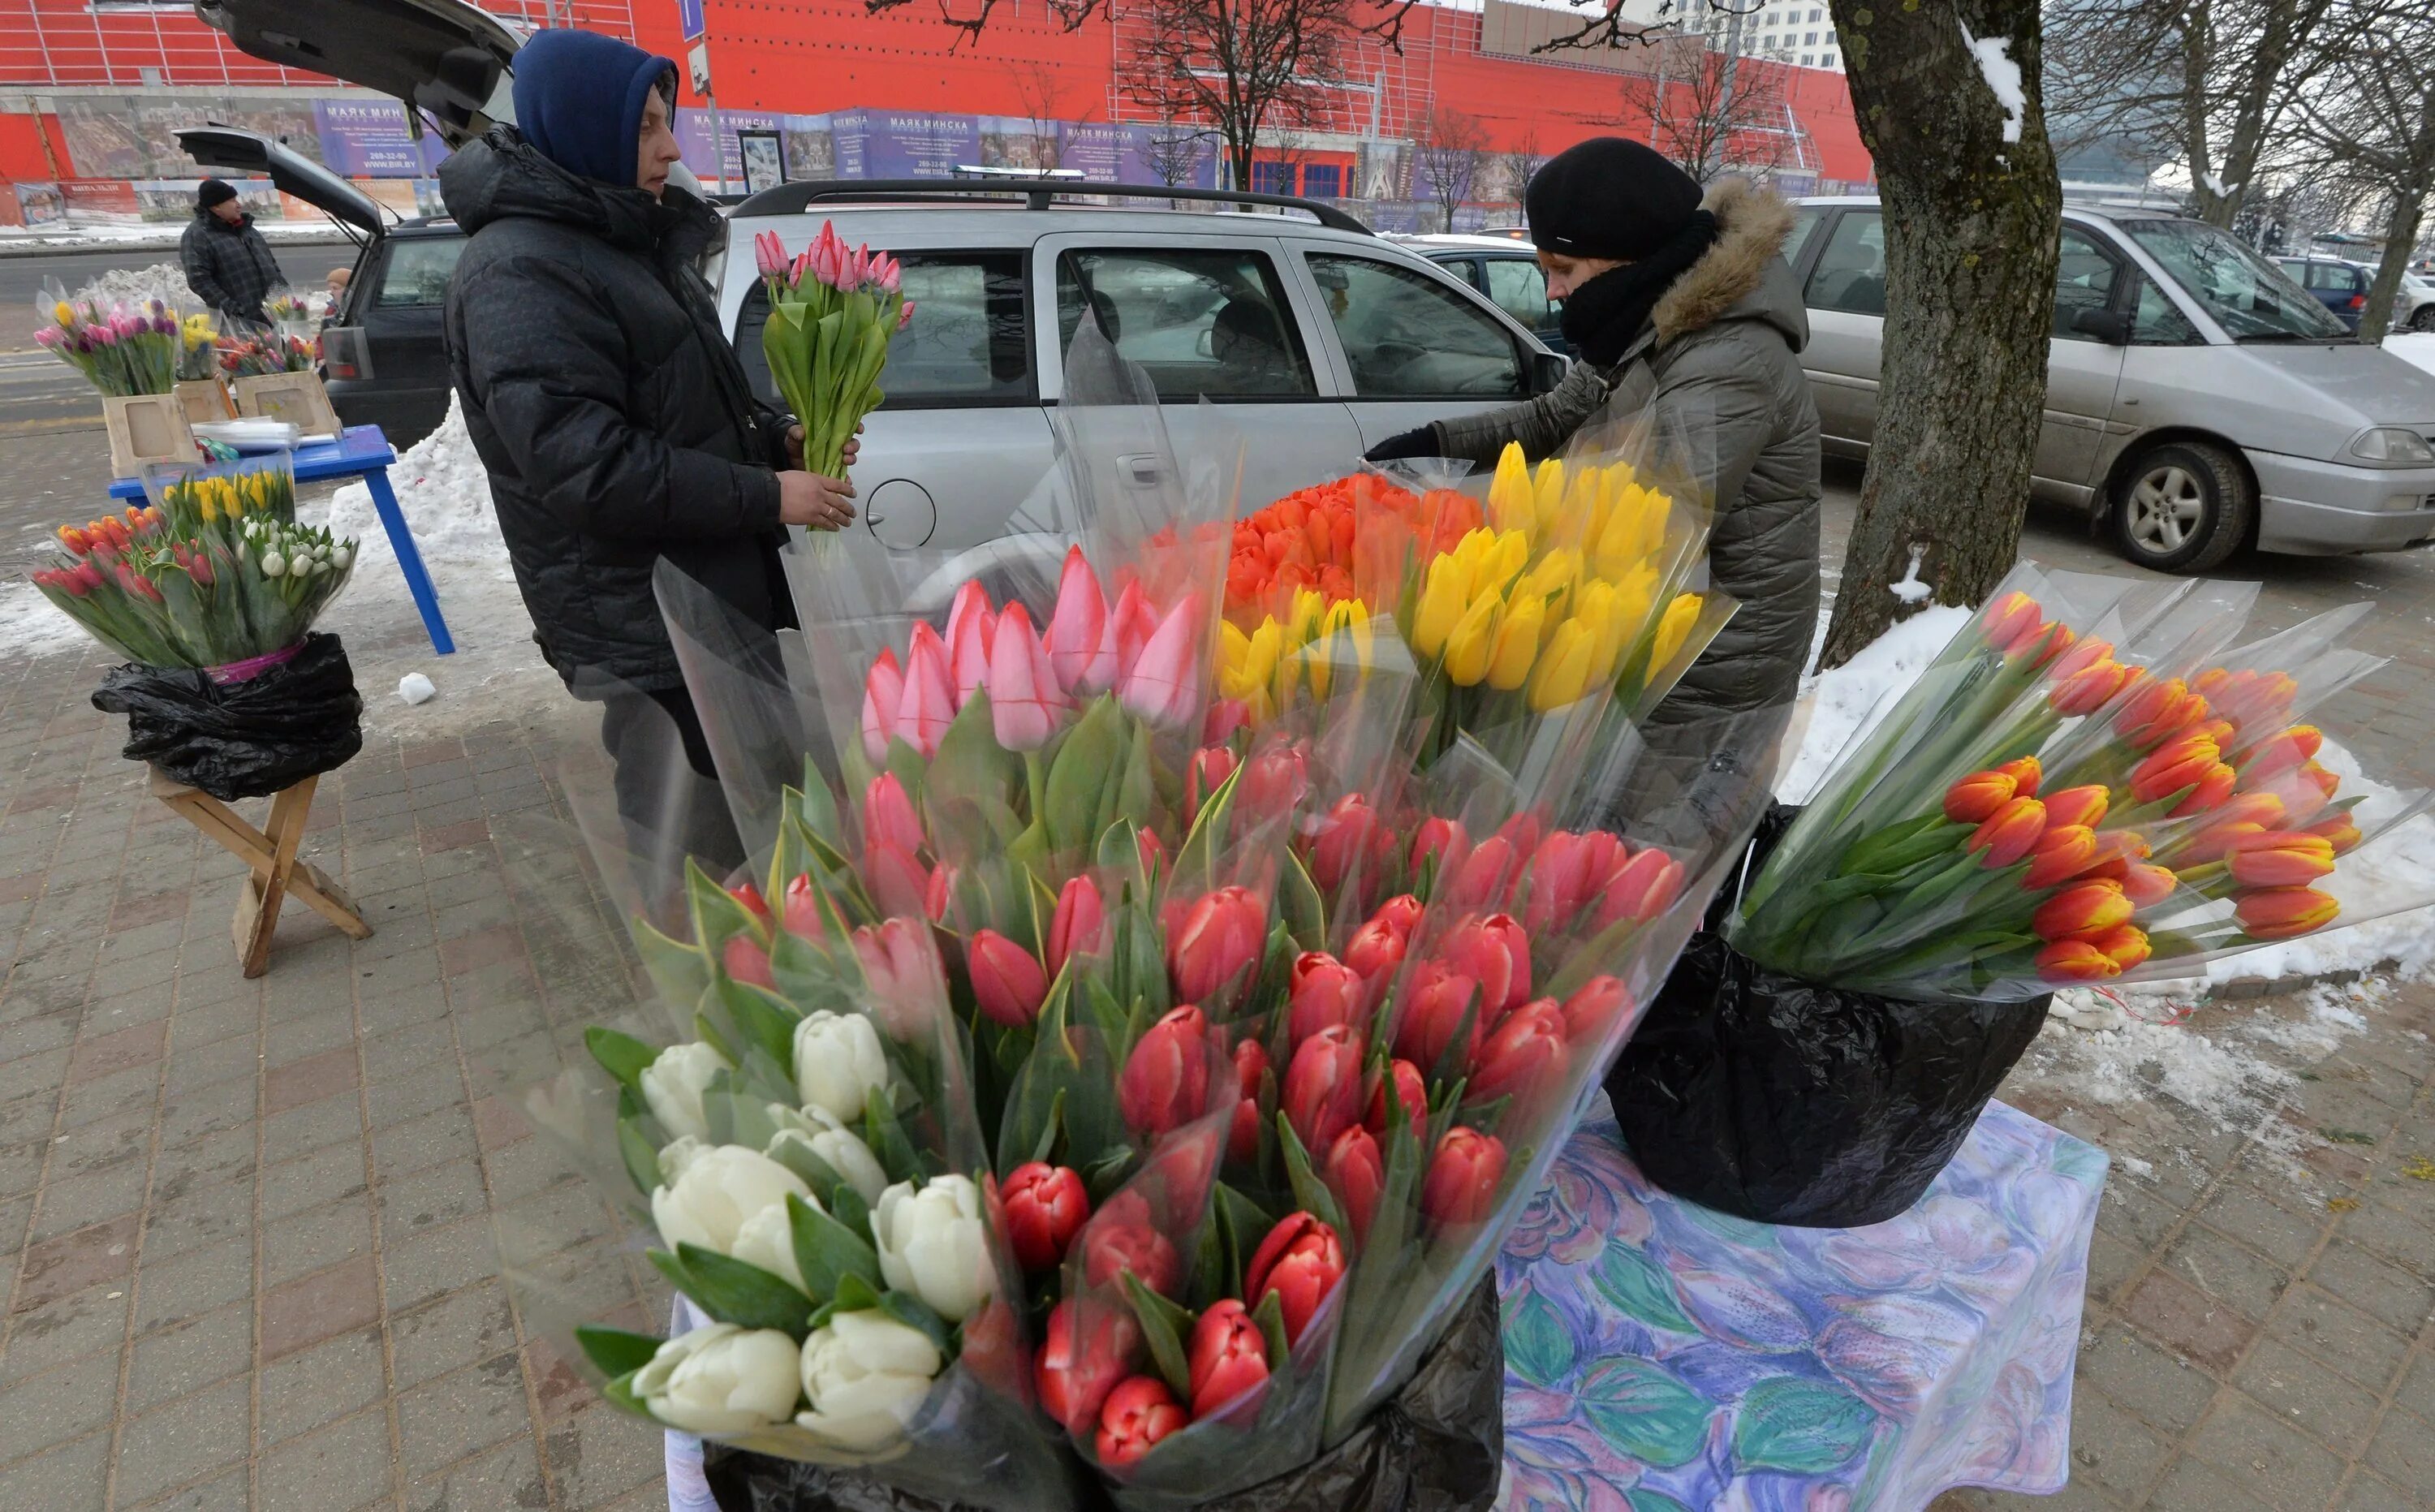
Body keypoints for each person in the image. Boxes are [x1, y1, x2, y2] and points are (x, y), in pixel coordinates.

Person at [438, 27, 857, 873]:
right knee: (697, 845)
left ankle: (782, 967)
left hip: (703, 600)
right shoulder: (519, 272)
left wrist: (776, 436)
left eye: (665, 123)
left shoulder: (622, 238)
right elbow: (588, 467)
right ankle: (715, 995)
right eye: (645, 128)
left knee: (764, 813)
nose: (671, 148)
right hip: (642, 624)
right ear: (582, 127)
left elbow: (681, 398)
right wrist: (770, 496)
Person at [1367, 139, 1821, 743]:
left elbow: (1651, 522)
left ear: (1628, 260)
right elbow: (1553, 416)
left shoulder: (1727, 358)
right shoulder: (1645, 322)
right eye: (1544, 269)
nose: (1552, 291)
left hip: (1707, 673)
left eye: (1564, 269)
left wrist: (1482, 578)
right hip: (1639, 644)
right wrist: (1432, 442)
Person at [180, 179, 283, 328]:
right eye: (232, 200)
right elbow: (199, 280)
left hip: (274, 317)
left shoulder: (247, 229)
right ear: (216, 207)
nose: (239, 205)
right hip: (238, 326)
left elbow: (272, 265)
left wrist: (284, 294)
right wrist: (234, 310)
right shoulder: (198, 235)